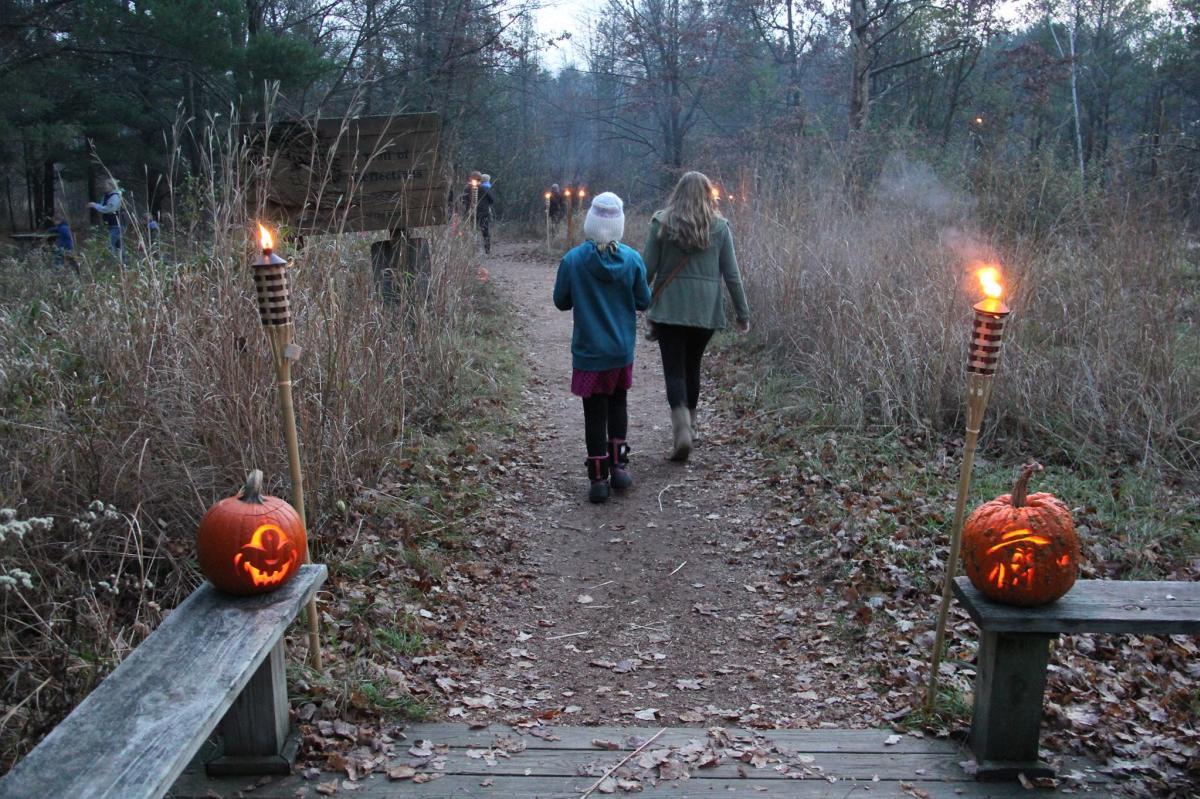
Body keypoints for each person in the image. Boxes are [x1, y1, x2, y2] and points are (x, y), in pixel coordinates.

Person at [643, 171, 750, 463]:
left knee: (674, 370)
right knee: (693, 366)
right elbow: (732, 274)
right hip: (705, 311)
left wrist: (636, 300)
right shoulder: (719, 227)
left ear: (677, 193)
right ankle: (690, 425)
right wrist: (743, 313)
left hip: (670, 310)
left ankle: (682, 432)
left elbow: (646, 269)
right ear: (707, 195)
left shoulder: (661, 223)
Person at [553, 192, 651, 504]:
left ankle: (598, 478)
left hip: (589, 352)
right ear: (619, 226)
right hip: (620, 350)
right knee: (618, 403)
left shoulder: (573, 260)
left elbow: (561, 301)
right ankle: (619, 466)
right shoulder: (633, 259)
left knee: (593, 412)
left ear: (590, 223)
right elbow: (643, 301)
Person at [87, 179, 123, 262]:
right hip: (111, 224)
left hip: (116, 224)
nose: (104, 187)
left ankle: (113, 264)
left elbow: (109, 209)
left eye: (106, 185)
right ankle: (122, 265)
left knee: (110, 245)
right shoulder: (106, 196)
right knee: (119, 246)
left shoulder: (115, 196)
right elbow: (103, 206)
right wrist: (95, 205)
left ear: (111, 186)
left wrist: (95, 205)